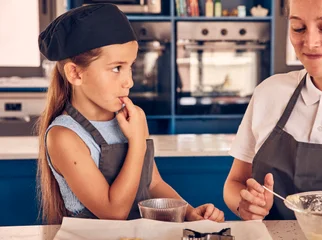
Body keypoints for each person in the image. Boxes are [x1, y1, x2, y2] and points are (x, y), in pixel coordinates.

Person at [36, 3, 224, 224]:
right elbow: (113, 212)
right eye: (117, 68)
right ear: (75, 73)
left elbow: (152, 184)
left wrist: (189, 213)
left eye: (131, 67)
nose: (130, 81)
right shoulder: (64, 136)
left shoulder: (132, 118)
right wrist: (137, 142)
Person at [223, 0, 322, 220]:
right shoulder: (270, 93)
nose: (310, 42)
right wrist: (246, 205)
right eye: (298, 28)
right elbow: (235, 182)